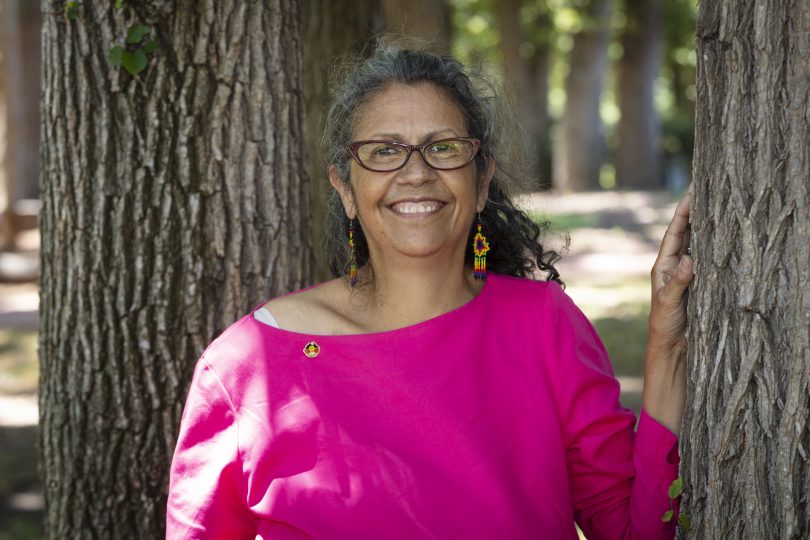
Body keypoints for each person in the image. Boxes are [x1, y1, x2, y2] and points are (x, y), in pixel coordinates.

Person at [166, 45, 693, 540]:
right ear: (346, 189)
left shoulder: (542, 324)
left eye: (443, 148)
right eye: (384, 151)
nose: (415, 173)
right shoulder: (245, 366)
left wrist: (666, 348)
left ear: (482, 181)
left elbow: (636, 532)